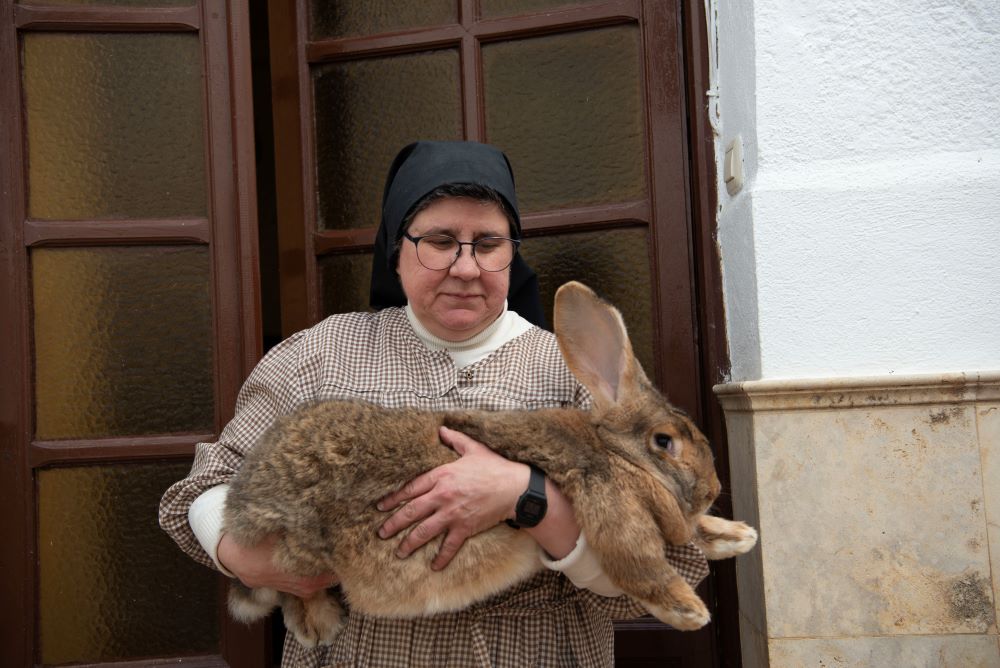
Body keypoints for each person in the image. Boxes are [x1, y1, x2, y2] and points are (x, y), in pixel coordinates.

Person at [159, 140, 709, 667]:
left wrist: (525, 497)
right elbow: (209, 485)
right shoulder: (318, 355)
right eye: (440, 241)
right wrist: (246, 558)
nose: (466, 268)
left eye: (488, 245)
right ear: (396, 248)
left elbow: (655, 563)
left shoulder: (570, 372)